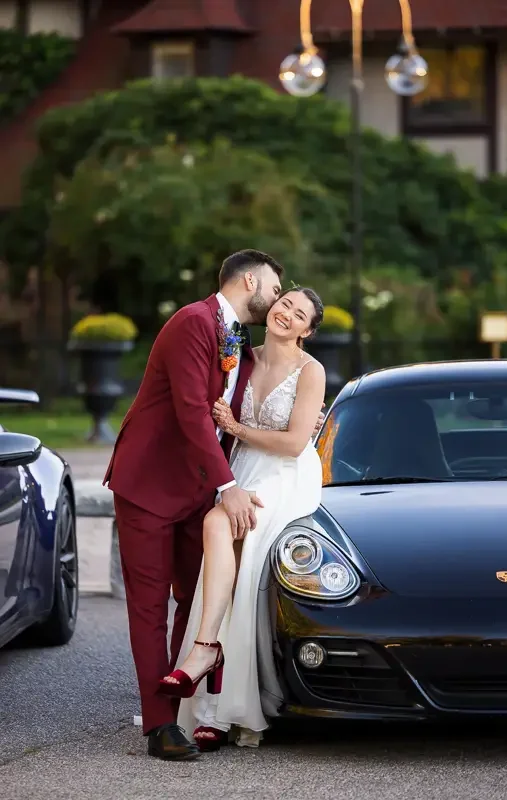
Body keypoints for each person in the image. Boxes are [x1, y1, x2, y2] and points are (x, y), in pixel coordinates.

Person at [103, 251, 324, 762]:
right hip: (151, 485)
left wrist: (295, 435)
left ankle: (188, 703)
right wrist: (229, 487)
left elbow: (245, 406)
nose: (278, 297)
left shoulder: (240, 340)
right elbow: (189, 411)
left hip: (200, 487)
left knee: (198, 597)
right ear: (252, 280)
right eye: (277, 287)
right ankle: (161, 726)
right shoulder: (192, 322)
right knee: (149, 606)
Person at [158, 287, 326, 752]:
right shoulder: (239, 356)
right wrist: (227, 436)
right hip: (241, 470)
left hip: (287, 475)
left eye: (299, 315)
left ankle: (207, 659)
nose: (286, 313)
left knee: (232, 534)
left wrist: (235, 427)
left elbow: (295, 444)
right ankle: (213, 690)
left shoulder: (311, 371)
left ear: (308, 331)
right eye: (285, 303)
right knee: (222, 543)